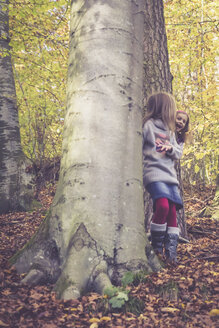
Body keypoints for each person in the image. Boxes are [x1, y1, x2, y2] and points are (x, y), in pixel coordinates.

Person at [142, 92, 183, 264]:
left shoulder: (170, 130)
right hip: (154, 174)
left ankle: (171, 253)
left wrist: (170, 148)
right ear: (164, 108)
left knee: (172, 212)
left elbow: (177, 153)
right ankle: (156, 247)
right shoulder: (148, 126)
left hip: (170, 177)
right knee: (163, 206)